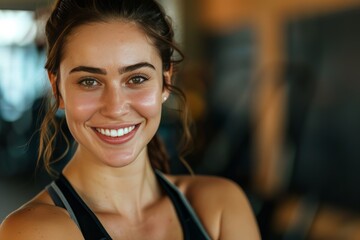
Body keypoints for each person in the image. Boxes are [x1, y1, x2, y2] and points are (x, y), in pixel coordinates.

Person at [0, 0, 260, 239]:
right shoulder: (34, 231)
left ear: (165, 82)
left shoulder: (220, 208)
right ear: (57, 89)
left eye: (136, 79)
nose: (115, 107)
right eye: (89, 81)